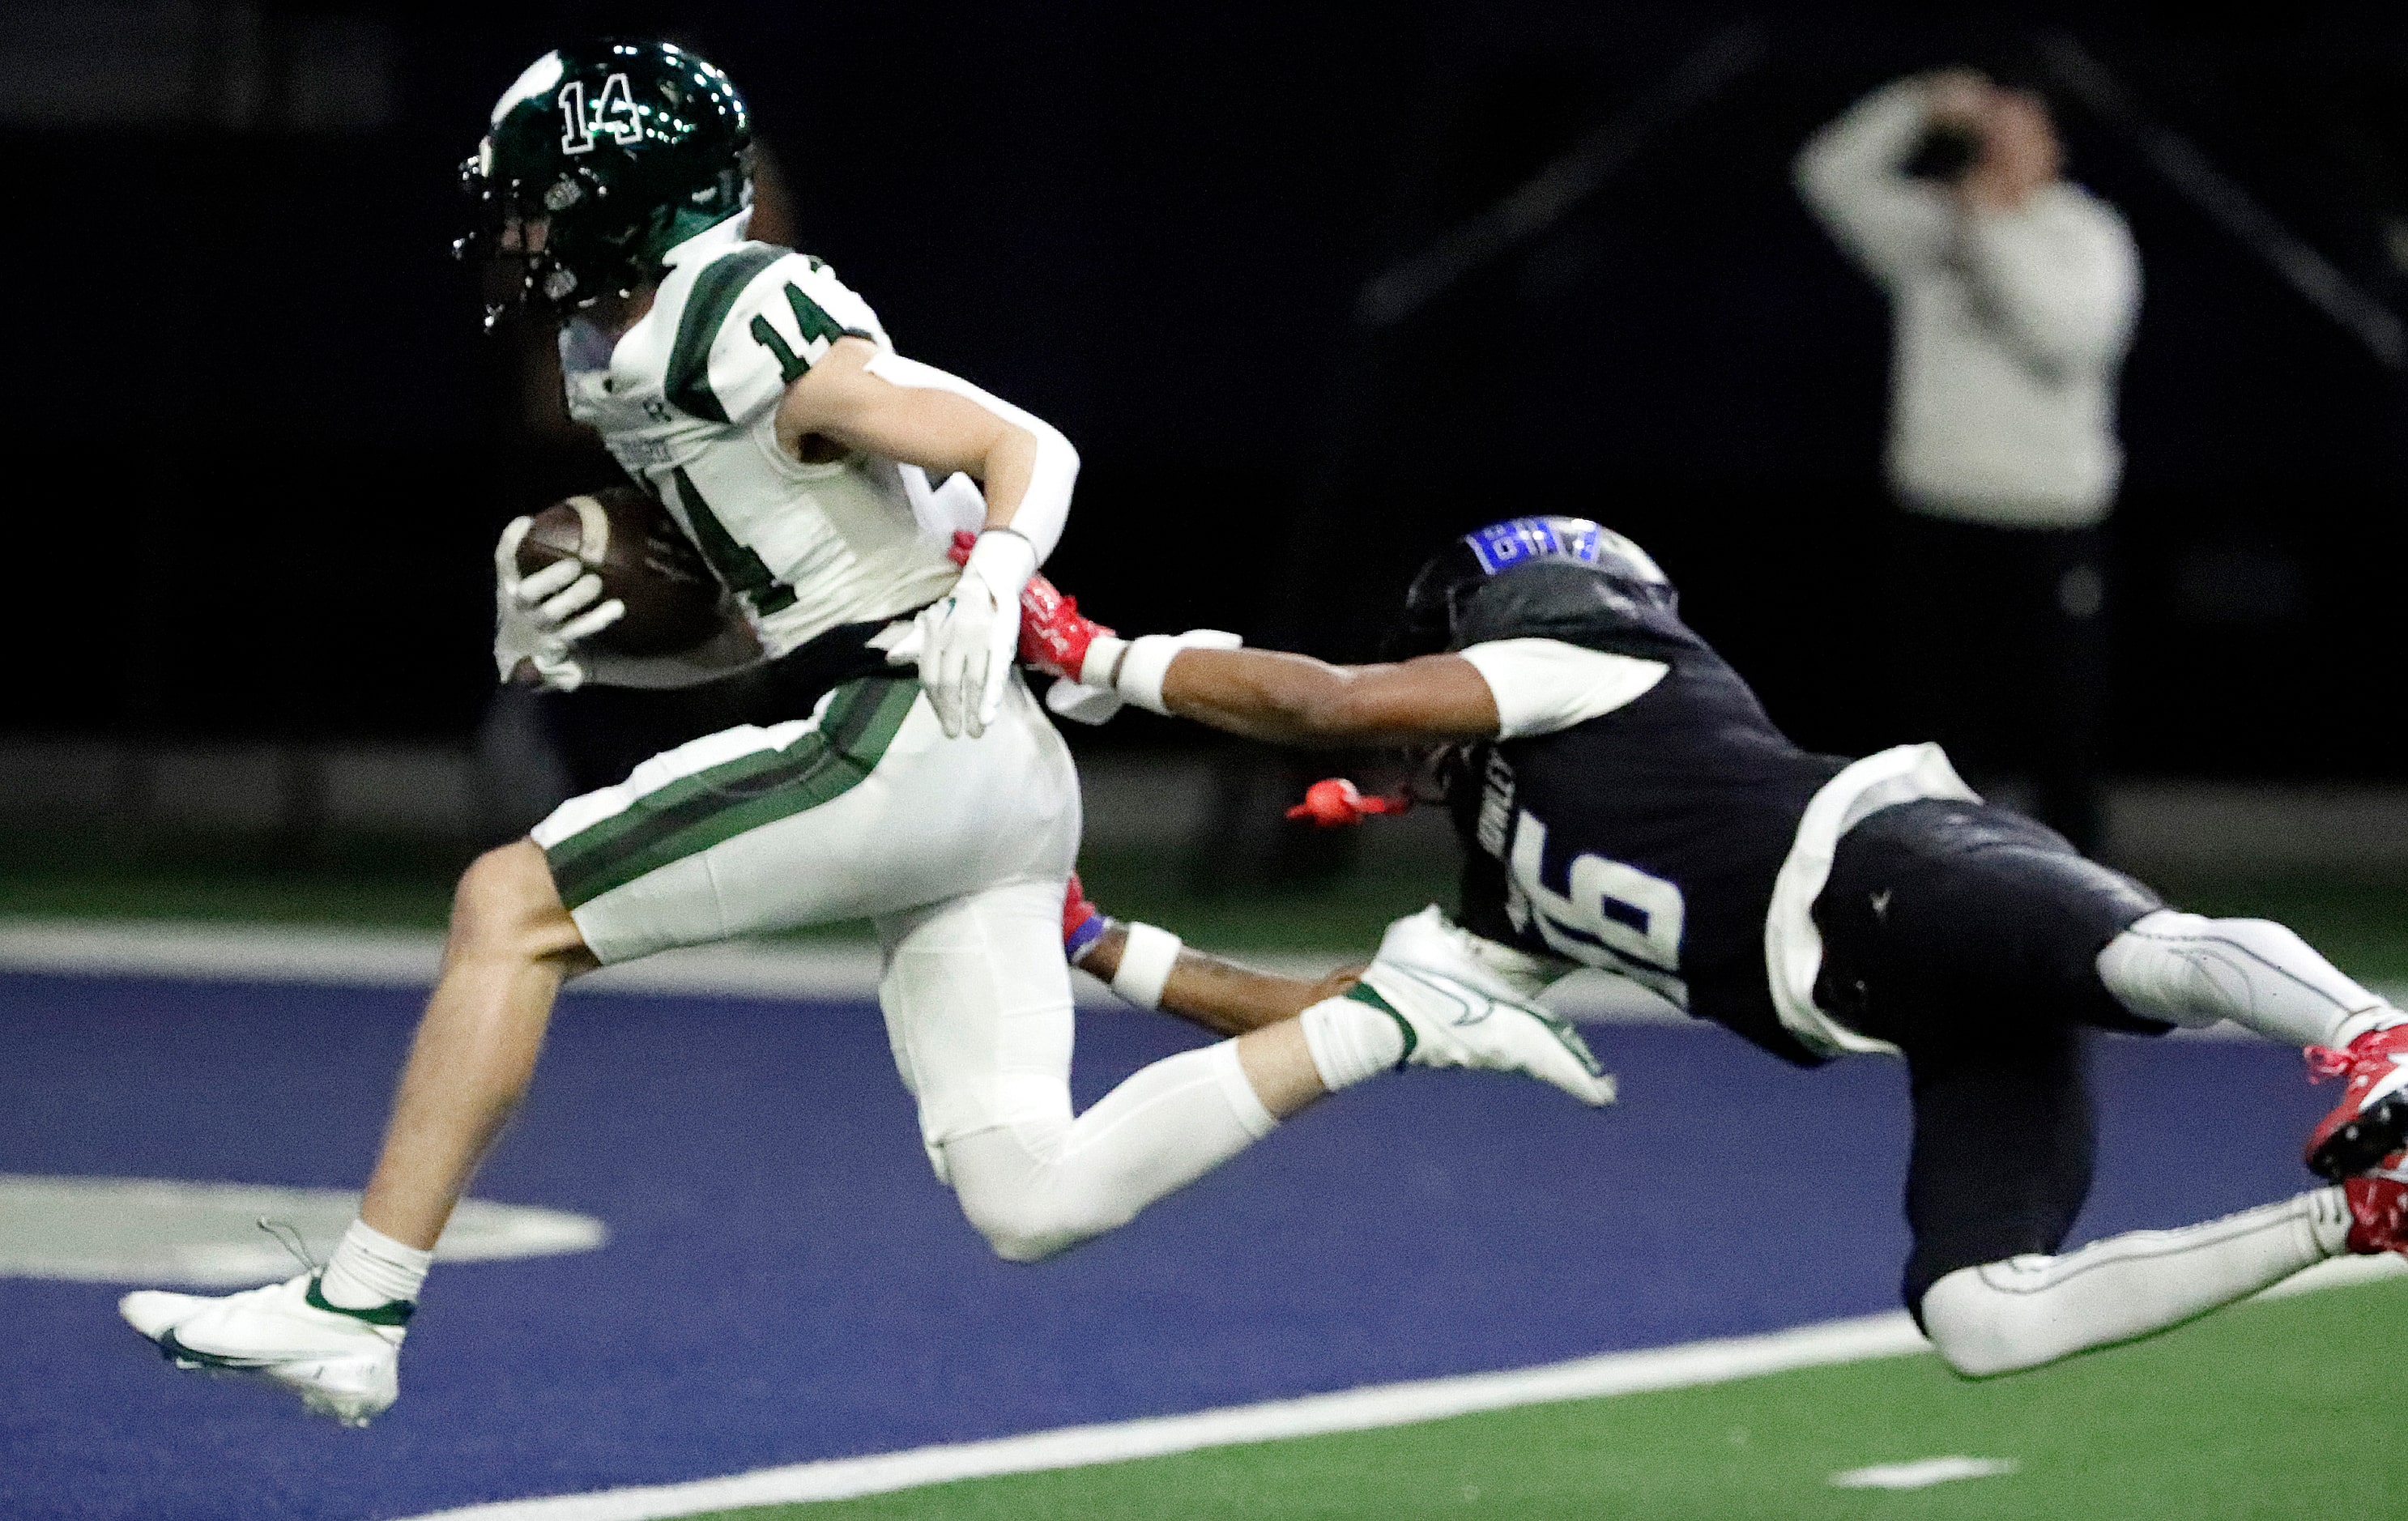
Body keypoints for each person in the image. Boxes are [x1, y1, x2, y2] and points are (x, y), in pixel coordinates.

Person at [115, 42, 1607, 1428]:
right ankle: (1392, 1016)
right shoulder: (625, 348)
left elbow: (1021, 445)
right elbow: (769, 617)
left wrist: (1007, 569)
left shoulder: (729, 304)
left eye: (543, 204)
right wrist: (588, 655)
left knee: (510, 903)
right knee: (1032, 1193)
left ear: (632, 202)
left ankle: (357, 1301)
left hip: (912, 723)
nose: (517, 234)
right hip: (979, 765)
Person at [1026, 513, 2408, 1377]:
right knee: (1982, 1319)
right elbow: (1331, 1012)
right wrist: (1099, 941)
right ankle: (2353, 1218)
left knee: (2137, 954)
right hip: (1915, 1010)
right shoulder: (1499, 895)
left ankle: (2373, 1031)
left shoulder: (1592, 666)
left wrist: (1093, 652)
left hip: (1888, 866)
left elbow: (1327, 699)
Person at [1797, 70, 2140, 851]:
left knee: (2064, 738)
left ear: (2052, 149)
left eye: (2018, 134)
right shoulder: (1929, 231)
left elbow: (2065, 339)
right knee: (1936, 743)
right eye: (1988, 136)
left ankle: (2091, 914)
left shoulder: (2085, 234)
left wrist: (1988, 228)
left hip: (2050, 518)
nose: (1999, 152)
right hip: (1939, 510)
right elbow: (1827, 174)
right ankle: (1932, 904)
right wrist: (1917, 104)